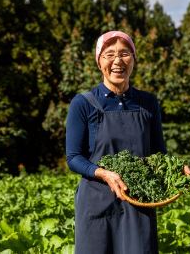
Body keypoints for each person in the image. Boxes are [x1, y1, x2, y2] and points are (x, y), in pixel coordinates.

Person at [66, 30, 166, 254]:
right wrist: (103, 173)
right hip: (96, 203)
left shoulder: (148, 103)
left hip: (138, 201)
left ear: (134, 59)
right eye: (109, 54)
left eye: (125, 54)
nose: (118, 61)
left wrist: (177, 169)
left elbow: (159, 152)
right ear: (99, 61)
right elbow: (73, 158)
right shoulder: (83, 103)